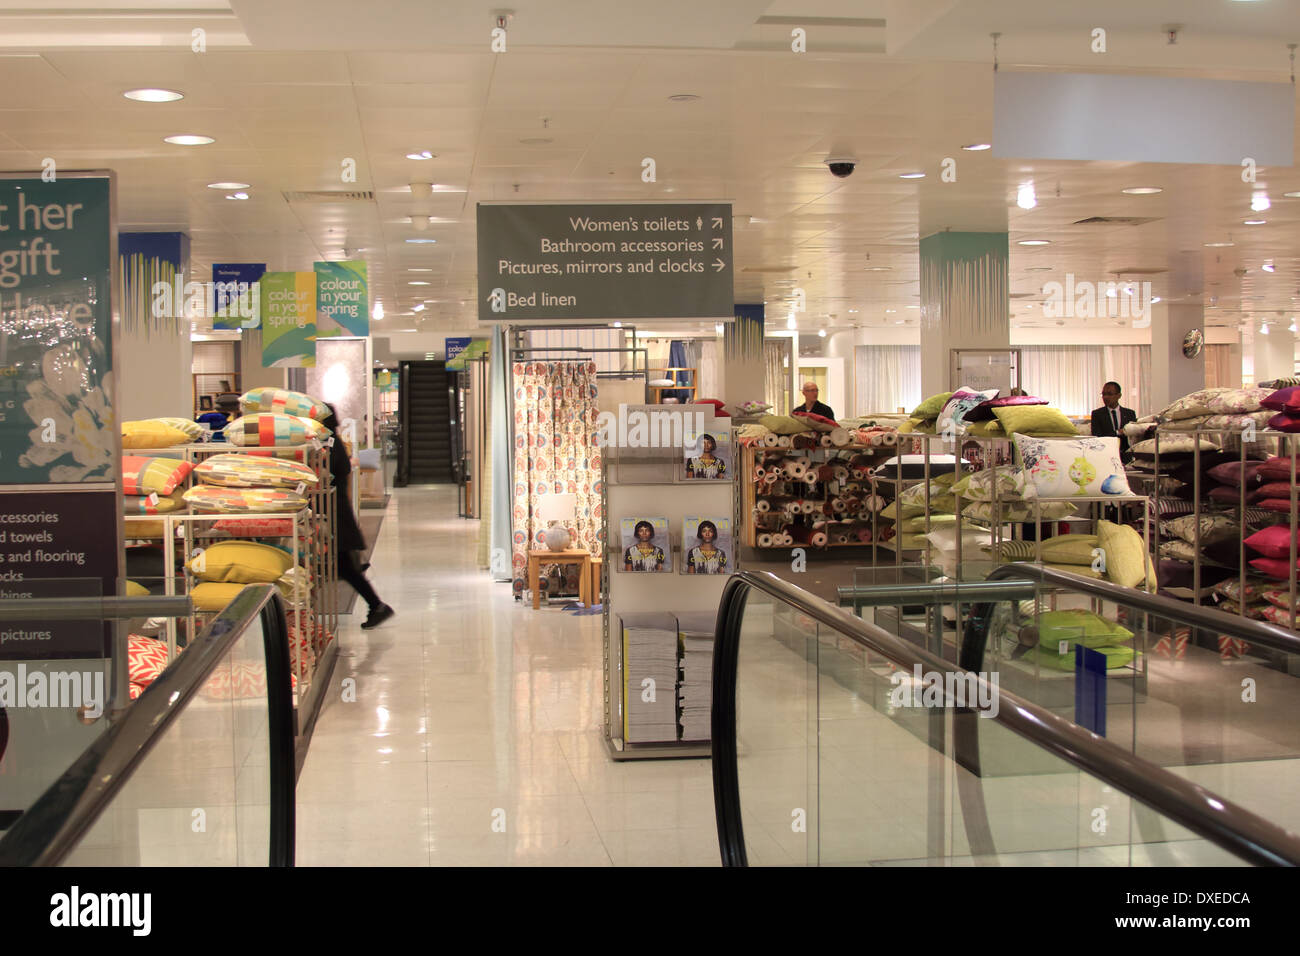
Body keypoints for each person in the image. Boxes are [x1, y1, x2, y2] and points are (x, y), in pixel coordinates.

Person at [322, 402, 394, 628]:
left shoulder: (330, 444)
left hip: (336, 518)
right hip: (337, 517)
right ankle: (376, 606)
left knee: (345, 568)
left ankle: (377, 606)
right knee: (345, 568)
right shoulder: (332, 443)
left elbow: (333, 472)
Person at [1090, 382, 1137, 462]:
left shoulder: (1129, 413)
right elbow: (1097, 436)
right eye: (1103, 394)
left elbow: (1133, 436)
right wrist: (1118, 432)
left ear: (1119, 395)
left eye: (1109, 394)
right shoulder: (1097, 414)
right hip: (1106, 456)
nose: (1105, 397)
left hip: (1126, 457)